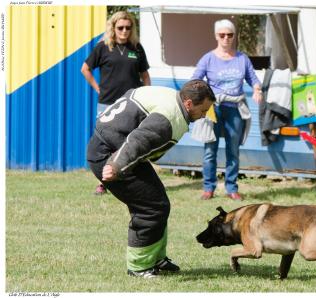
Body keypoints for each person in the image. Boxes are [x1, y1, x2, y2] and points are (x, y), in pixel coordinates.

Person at [86, 80, 216, 278]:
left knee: (159, 204)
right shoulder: (169, 118)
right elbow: (139, 140)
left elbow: (131, 92)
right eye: (203, 110)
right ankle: (139, 267)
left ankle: (156, 258)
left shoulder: (169, 95)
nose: (204, 115)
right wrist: (115, 165)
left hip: (113, 146)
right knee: (151, 208)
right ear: (188, 103)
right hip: (112, 155)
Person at [191, 19, 262, 201]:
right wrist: (199, 96)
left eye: (229, 35)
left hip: (235, 108)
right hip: (213, 109)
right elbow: (195, 79)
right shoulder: (208, 58)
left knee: (233, 150)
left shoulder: (241, 59)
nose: (226, 38)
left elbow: (253, 78)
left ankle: (231, 188)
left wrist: (257, 90)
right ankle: (208, 188)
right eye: (222, 35)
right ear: (216, 36)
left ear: (234, 36)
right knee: (210, 150)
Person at [81, 10, 150, 195]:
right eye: (120, 27)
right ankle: (103, 182)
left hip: (132, 105)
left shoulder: (136, 48)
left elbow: (145, 75)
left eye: (128, 27)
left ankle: (128, 178)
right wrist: (98, 89)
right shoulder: (103, 47)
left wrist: (146, 94)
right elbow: (85, 69)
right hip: (108, 104)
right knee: (105, 144)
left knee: (130, 141)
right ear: (113, 27)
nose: (124, 31)